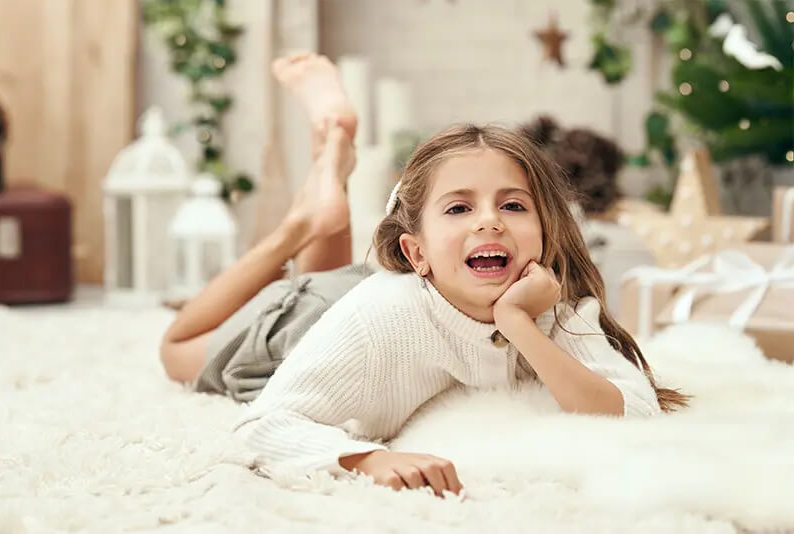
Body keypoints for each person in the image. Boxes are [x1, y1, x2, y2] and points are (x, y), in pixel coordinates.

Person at [160, 53, 688, 499]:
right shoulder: (380, 318)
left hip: (379, 287)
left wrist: (517, 321)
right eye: (459, 208)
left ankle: (329, 180)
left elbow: (632, 411)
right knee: (176, 349)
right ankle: (299, 223)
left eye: (512, 205)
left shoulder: (553, 304)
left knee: (330, 274)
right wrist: (365, 460)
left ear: (547, 230)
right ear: (418, 252)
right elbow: (262, 427)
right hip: (310, 324)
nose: (489, 220)